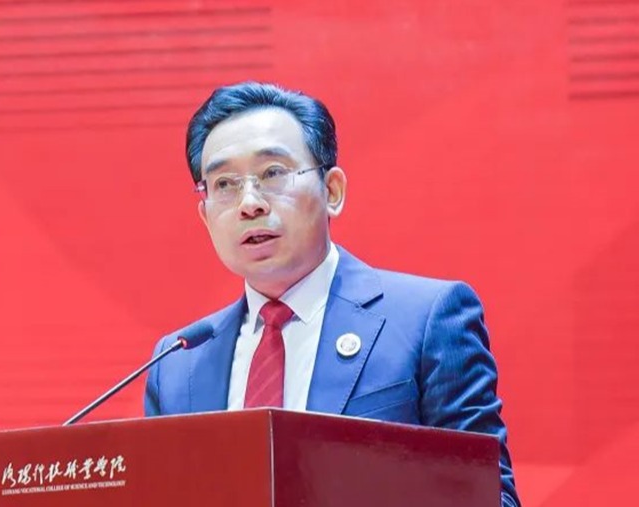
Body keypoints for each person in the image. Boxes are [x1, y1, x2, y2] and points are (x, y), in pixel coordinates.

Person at [144, 81, 520, 507]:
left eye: (273, 173)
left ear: (333, 191)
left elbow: (493, 499)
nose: (249, 203)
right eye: (225, 184)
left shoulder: (426, 321)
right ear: (205, 215)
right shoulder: (177, 364)